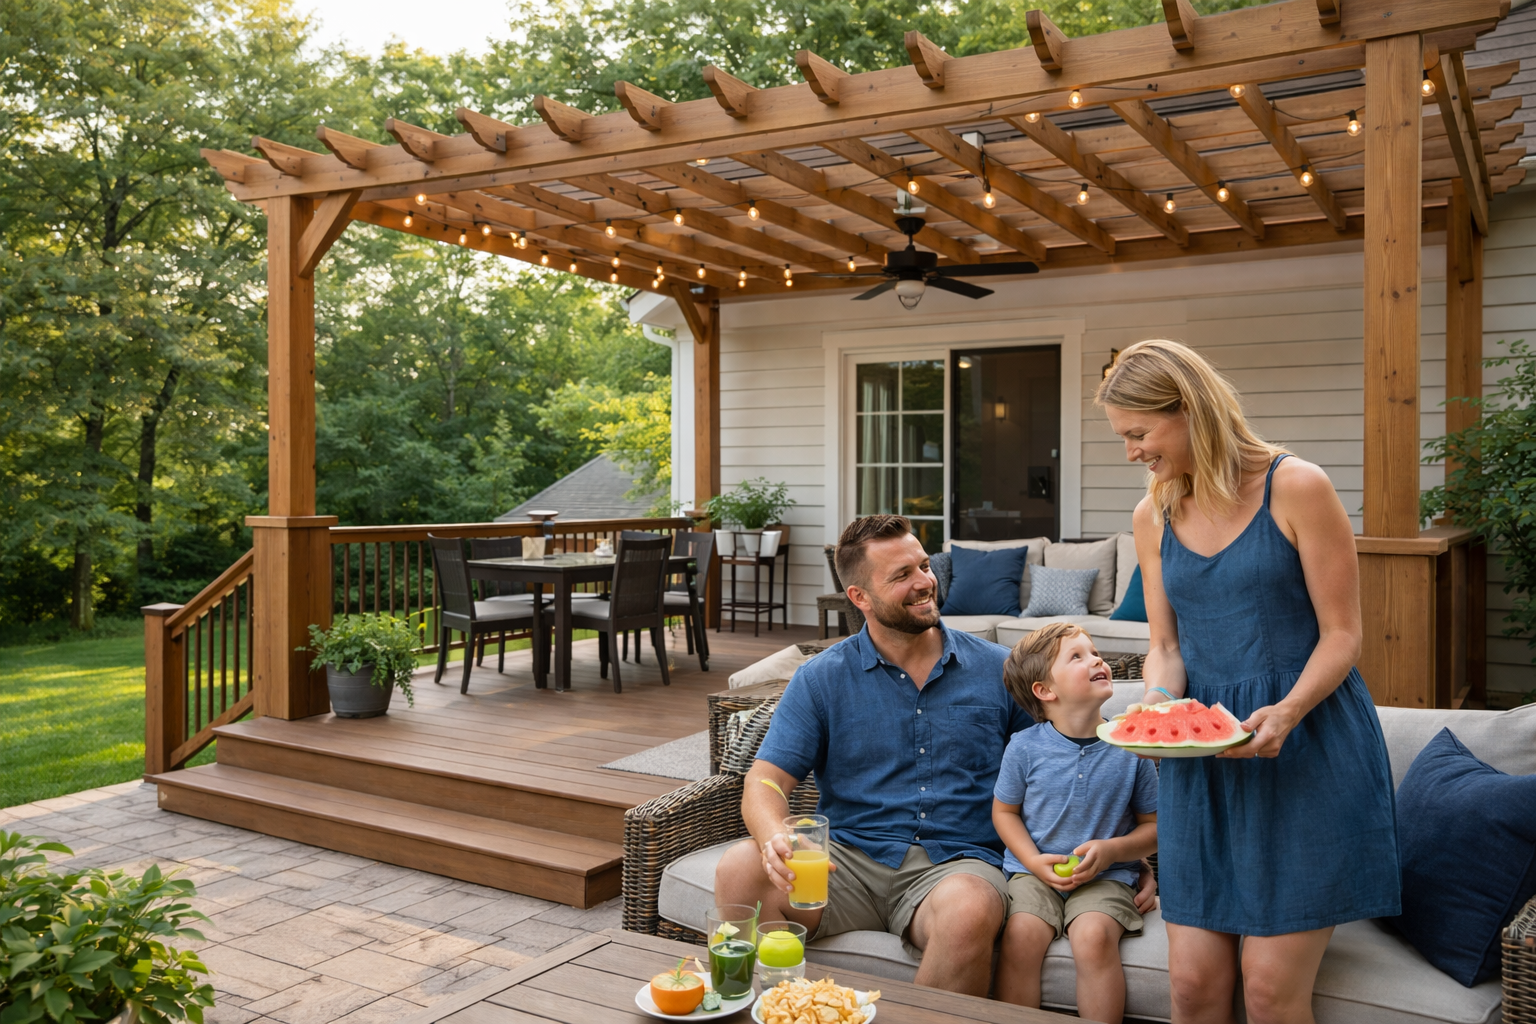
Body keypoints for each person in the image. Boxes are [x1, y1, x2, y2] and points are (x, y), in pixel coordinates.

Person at [715, 514, 1154, 996]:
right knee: (739, 866)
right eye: (902, 575)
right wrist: (772, 836)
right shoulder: (820, 678)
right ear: (860, 597)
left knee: (969, 909)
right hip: (846, 862)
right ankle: (773, 1009)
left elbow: (1070, 764)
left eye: (924, 566)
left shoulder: (998, 671)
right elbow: (765, 780)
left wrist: (1127, 862)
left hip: (958, 865)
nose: (925, 582)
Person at [1098, 339, 1399, 1024]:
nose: (1132, 452)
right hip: (1202, 769)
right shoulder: (1152, 514)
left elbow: (1343, 635)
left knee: (1267, 991)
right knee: (1193, 988)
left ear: (1188, 410)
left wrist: (1287, 711)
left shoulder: (1297, 486)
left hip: (1305, 746)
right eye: (1122, 438)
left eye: (1139, 433)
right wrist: (1156, 707)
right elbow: (1165, 646)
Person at [992, 623, 1158, 1023]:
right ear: (1045, 691)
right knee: (1021, 935)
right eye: (1077, 656)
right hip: (1034, 874)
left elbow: (1155, 827)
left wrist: (1114, 851)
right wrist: (1033, 862)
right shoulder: (1023, 748)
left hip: (1108, 876)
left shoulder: (1131, 747)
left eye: (1094, 652)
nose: (1097, 660)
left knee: (1093, 937)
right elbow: (1004, 812)